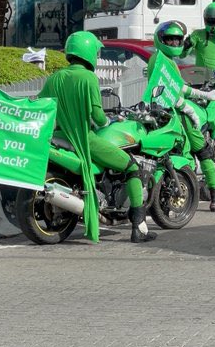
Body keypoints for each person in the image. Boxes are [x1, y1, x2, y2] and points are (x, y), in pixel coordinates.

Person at [38, 30, 156, 243]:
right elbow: (97, 116)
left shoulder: (54, 79)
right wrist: (109, 122)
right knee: (132, 168)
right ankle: (139, 226)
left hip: (59, 136)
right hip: (86, 140)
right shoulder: (88, 78)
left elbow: (41, 108)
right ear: (89, 52)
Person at [148, 21, 215, 212]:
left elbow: (178, 87)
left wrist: (204, 95)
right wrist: (188, 109)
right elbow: (169, 93)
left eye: (178, 40)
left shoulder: (163, 59)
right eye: (170, 39)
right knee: (203, 151)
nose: (174, 44)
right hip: (173, 114)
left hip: (162, 112)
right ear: (160, 40)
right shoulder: (161, 60)